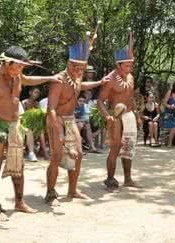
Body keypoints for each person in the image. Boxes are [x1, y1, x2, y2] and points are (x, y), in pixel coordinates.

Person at [0, 46, 61, 221]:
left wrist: (51, 78)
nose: (19, 70)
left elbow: (29, 79)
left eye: (22, 67)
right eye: (17, 66)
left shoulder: (18, 75)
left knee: (18, 166)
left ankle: (19, 202)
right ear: (6, 62)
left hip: (14, 124)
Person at [45, 32, 105, 205]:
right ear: (68, 64)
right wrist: (58, 131)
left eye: (81, 69)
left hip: (70, 118)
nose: (78, 72)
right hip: (55, 118)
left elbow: (80, 86)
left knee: (78, 154)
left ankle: (72, 190)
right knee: (56, 157)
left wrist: (99, 82)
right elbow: (51, 109)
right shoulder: (58, 80)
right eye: (75, 68)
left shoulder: (77, 77)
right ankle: (50, 193)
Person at [97, 32, 139, 192]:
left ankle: (128, 179)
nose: (130, 68)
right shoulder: (110, 79)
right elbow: (100, 101)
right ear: (119, 65)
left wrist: (137, 115)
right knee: (115, 147)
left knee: (128, 147)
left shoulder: (130, 77)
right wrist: (107, 116)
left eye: (131, 65)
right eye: (127, 65)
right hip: (116, 116)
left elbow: (130, 96)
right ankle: (110, 179)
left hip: (129, 115)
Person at [22, 87, 41, 161]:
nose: (37, 94)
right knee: (29, 130)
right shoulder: (24, 102)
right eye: (35, 92)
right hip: (25, 123)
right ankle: (31, 152)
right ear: (30, 92)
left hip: (34, 124)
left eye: (38, 93)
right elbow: (22, 116)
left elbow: (38, 116)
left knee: (41, 130)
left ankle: (43, 150)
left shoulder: (37, 104)